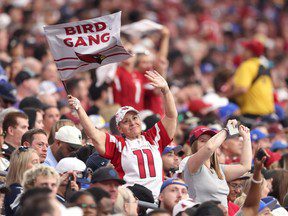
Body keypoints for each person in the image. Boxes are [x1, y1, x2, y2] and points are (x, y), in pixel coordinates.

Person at [68, 70, 177, 197]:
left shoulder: (154, 138)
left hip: (157, 199)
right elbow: (93, 133)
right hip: (131, 199)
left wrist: (166, 91)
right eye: (126, 121)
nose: (132, 123)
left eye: (135, 118)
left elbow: (171, 116)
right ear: (119, 128)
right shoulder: (118, 144)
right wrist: (79, 108)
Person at [184, 120, 252, 208]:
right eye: (202, 140)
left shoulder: (219, 170)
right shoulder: (191, 162)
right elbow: (209, 148)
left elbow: (245, 166)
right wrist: (227, 130)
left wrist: (246, 138)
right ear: (194, 145)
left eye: (211, 139)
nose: (207, 143)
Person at [226, 40, 274, 117]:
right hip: (269, 113)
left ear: (251, 52)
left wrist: (226, 95)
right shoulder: (264, 66)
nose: (243, 51)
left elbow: (242, 89)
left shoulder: (247, 65)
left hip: (253, 113)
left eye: (246, 49)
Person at [4, 147, 40, 216]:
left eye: (39, 162)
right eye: (35, 162)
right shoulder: (14, 190)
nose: (39, 166)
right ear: (22, 165)